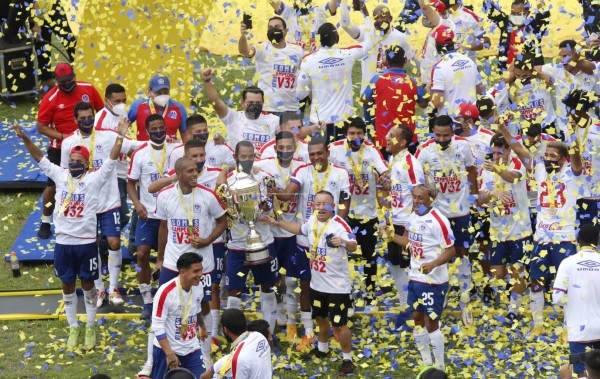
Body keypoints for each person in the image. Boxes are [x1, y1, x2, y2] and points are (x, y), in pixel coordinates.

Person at [12, 118, 127, 350]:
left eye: (79, 161)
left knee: (88, 285)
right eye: (72, 160)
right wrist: (25, 138)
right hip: (63, 243)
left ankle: (91, 325)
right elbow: (39, 158)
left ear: (87, 164)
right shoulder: (60, 175)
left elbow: (112, 158)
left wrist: (120, 136)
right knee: (66, 285)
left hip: (86, 243)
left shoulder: (95, 179)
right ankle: (74, 326)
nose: (74, 164)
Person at [262, 190, 358, 376]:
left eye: (325, 204)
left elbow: (354, 245)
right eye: (318, 204)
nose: (321, 208)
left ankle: (348, 359)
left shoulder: (339, 224)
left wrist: (344, 242)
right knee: (320, 319)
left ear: (333, 207)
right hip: (317, 284)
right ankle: (322, 349)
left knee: (339, 324)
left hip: (337, 287)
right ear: (313, 206)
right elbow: (299, 229)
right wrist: (277, 223)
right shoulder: (312, 220)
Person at [60, 102, 143, 307]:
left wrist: (170, 147)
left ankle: (114, 289)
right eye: (83, 118)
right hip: (85, 204)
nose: (87, 121)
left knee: (114, 242)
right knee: (92, 245)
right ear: (76, 119)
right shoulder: (68, 142)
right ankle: (99, 289)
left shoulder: (108, 135)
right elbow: (64, 173)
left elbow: (136, 146)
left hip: (109, 200)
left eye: (90, 117)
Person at [276, 136, 351, 351]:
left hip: (330, 240)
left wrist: (338, 224)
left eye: (320, 153)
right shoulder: (302, 171)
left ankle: (335, 325)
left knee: (331, 284)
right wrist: (270, 189)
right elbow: (288, 195)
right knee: (304, 284)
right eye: (312, 154)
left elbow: (345, 203)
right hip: (305, 238)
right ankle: (308, 331)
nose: (316, 157)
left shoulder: (340, 173)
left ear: (328, 151)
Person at [415, 115, 478, 326]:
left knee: (462, 254)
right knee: (437, 254)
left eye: (446, 135)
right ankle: (439, 296)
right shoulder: (424, 150)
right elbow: (419, 183)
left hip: (460, 210)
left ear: (453, 132)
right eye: (438, 135)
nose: (442, 139)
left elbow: (471, 170)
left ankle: (465, 301)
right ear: (432, 132)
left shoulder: (464, 146)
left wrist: (475, 197)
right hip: (437, 213)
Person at [388, 184, 456, 371]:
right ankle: (426, 361)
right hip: (415, 277)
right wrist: (390, 235)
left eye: (421, 198)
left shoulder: (439, 221)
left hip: (433, 280)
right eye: (414, 197)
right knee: (417, 317)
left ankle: (440, 365)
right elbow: (407, 243)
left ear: (430, 200)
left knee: (431, 321)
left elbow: (451, 251)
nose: (417, 201)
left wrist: (433, 264)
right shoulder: (412, 216)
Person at [36, 62, 104, 239]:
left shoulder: (87, 89)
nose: (67, 84)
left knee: (93, 178)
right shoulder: (50, 98)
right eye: (63, 81)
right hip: (60, 147)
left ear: (74, 75)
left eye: (69, 79)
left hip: (89, 142)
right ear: (57, 80)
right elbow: (41, 126)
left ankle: (94, 213)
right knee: (54, 184)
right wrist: (63, 136)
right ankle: (46, 219)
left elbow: (102, 112)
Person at [223, 141, 280, 334]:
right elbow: (227, 211)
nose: (247, 160)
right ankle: (233, 336)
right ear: (235, 158)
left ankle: (269, 334)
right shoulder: (228, 182)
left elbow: (272, 206)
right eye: (243, 156)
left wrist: (262, 207)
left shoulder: (265, 178)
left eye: (250, 156)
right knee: (234, 292)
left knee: (267, 288)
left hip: (263, 242)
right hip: (237, 245)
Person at [127, 114, 180, 320]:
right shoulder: (139, 153)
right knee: (141, 255)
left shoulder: (176, 150)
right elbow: (130, 183)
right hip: (147, 215)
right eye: (154, 129)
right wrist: (137, 204)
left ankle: (166, 299)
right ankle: (147, 301)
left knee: (169, 259)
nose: (159, 132)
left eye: (161, 127)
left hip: (171, 213)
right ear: (147, 132)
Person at [329, 117, 388, 300]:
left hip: (368, 213)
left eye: (359, 133)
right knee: (341, 255)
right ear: (346, 134)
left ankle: (370, 291)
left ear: (364, 134)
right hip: (343, 214)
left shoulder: (371, 151)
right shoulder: (335, 149)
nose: (356, 137)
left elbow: (385, 171)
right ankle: (343, 291)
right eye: (352, 133)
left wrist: (385, 179)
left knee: (369, 256)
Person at [254, 131, 305, 340]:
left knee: (292, 279)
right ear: (275, 148)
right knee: (274, 279)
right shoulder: (265, 165)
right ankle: (278, 313)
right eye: (281, 147)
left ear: (295, 147)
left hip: (292, 230)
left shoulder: (302, 167)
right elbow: (244, 166)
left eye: (289, 147)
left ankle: (292, 320)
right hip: (270, 231)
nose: (285, 151)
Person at [478, 134, 531, 321]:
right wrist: (492, 192)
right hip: (497, 230)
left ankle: (513, 309)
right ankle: (506, 296)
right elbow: (479, 198)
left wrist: (498, 170)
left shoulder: (517, 165)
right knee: (498, 273)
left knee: (516, 271)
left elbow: (513, 178)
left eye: (499, 153)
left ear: (509, 150)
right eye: (493, 153)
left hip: (520, 229)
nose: (496, 157)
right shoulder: (486, 170)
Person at [296, 22, 374, 142]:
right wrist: (367, 17)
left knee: (319, 158)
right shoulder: (348, 54)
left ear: (319, 39)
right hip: (345, 121)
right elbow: (369, 43)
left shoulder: (308, 60)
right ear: (337, 38)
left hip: (319, 122)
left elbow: (300, 94)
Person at [379, 125, 425, 328]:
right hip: (395, 222)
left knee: (411, 268)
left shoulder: (411, 164)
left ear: (403, 142)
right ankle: (407, 305)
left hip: (408, 224)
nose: (387, 139)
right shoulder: (394, 159)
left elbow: (420, 195)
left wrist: (409, 226)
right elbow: (401, 191)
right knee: (395, 263)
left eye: (392, 136)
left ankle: (417, 311)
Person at [362, 45, 428, 155]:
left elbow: (364, 100)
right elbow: (423, 105)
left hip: (383, 139)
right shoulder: (413, 82)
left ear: (387, 62)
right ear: (405, 61)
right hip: (407, 140)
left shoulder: (377, 79)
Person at [150, 253, 207, 379]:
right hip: (167, 351)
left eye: (201, 270)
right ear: (182, 272)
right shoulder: (166, 292)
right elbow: (157, 326)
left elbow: (197, 310)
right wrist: (169, 353)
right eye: (195, 271)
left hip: (192, 349)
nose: (200, 274)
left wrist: (202, 326)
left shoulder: (198, 287)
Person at [341, 2, 418, 95]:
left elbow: (413, 60)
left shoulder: (400, 37)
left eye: (383, 16)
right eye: (376, 18)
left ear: (390, 19)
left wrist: (424, 77)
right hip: (369, 92)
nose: (380, 20)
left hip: (391, 93)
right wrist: (343, 3)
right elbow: (345, 25)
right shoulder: (366, 33)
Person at [554, 224, 600, 377]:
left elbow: (558, 298)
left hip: (579, 329)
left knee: (583, 373)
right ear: (597, 240)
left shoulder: (567, 263)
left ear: (578, 240)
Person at [201, 68, 280, 152]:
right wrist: (207, 82)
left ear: (263, 102)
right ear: (242, 102)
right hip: (239, 163)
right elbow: (216, 102)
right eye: (250, 102)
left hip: (265, 163)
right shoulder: (233, 118)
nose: (254, 105)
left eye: (258, 103)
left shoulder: (274, 120)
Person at [238, 16, 303, 113]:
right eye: (270, 28)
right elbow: (245, 51)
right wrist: (243, 36)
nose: (273, 30)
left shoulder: (297, 51)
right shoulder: (262, 48)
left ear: (285, 31)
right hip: (268, 109)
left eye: (277, 27)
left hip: (291, 108)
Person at [489, 53, 558, 138]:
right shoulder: (508, 84)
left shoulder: (543, 76)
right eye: (518, 75)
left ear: (532, 71)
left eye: (525, 75)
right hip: (525, 130)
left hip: (546, 126)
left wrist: (540, 74)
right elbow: (490, 98)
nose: (522, 79)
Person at [536, 40, 599, 133]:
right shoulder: (557, 69)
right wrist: (541, 75)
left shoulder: (594, 71)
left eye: (566, 56)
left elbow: (592, 68)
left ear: (577, 54)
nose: (562, 60)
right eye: (561, 56)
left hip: (590, 128)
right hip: (565, 129)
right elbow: (528, 68)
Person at [94, 83, 131, 234]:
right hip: (110, 175)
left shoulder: (123, 115)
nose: (121, 104)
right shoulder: (100, 120)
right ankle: (103, 246)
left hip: (121, 171)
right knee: (121, 216)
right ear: (106, 101)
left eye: (124, 100)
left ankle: (103, 243)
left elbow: (125, 142)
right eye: (117, 101)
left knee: (119, 216)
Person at [562, 90, 600, 225]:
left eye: (571, 110)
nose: (568, 114)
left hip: (595, 195)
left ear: (581, 110)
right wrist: (572, 134)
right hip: (575, 194)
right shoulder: (569, 129)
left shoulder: (597, 129)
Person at [429, 25, 484, 117]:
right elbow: (481, 90)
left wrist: (428, 89)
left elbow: (437, 103)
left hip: (451, 121)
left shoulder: (438, 67)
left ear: (436, 44)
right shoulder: (469, 60)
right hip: (470, 117)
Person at [202, 309, 272, 379]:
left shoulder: (239, 359)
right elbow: (233, 356)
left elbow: (238, 358)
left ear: (225, 329)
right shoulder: (259, 336)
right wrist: (213, 369)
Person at [483, 0, 550, 71]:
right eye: (513, 13)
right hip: (507, 70)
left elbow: (544, 14)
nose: (516, 16)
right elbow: (489, 8)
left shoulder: (534, 26)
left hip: (530, 70)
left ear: (527, 13)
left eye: (519, 14)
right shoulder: (506, 24)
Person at [128, 74, 188, 142]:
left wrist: (179, 146)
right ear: (150, 91)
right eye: (158, 93)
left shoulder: (179, 108)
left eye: (166, 92)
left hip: (170, 150)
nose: (163, 96)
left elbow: (186, 136)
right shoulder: (137, 105)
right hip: (145, 151)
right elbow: (123, 128)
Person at [166, 114, 236, 172]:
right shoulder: (177, 152)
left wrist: (225, 172)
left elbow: (240, 164)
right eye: (198, 131)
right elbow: (172, 176)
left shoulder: (219, 147)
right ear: (188, 133)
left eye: (205, 130)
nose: (203, 134)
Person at [269, 0, 338, 52]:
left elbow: (334, 4)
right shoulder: (288, 12)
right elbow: (274, 2)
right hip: (295, 61)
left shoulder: (319, 12)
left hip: (316, 62)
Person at [416, 0, 456, 87]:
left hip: (435, 81)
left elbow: (424, 6)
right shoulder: (437, 28)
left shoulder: (443, 24)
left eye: (426, 14)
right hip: (429, 79)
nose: (424, 16)